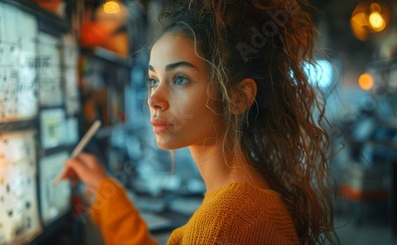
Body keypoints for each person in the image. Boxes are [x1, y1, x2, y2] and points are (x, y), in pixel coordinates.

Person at [61, 0, 339, 244]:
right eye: (153, 80)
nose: (154, 99)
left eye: (180, 79)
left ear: (238, 98)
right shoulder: (238, 199)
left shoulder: (227, 220)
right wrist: (107, 195)